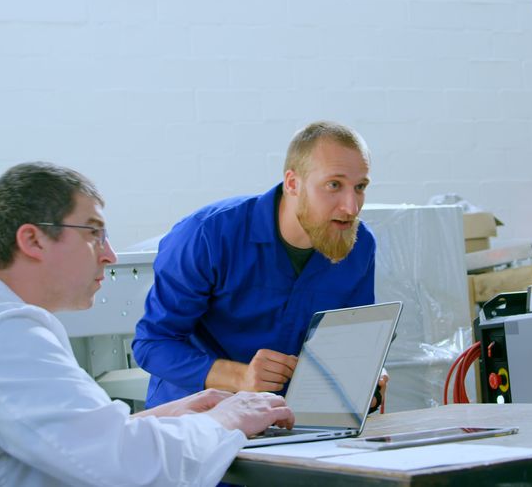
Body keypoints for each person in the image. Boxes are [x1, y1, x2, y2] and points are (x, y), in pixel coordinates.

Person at [0, 162, 294, 487]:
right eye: (94, 233)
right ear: (33, 240)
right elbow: (127, 469)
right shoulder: (1, 335)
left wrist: (167, 417)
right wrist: (226, 420)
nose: (110, 254)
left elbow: (63, 440)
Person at [133, 121, 383, 408]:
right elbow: (152, 345)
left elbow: (349, 346)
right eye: (334, 185)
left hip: (291, 423)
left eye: (360, 187)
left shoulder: (359, 245)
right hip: (195, 424)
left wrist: (365, 379)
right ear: (292, 183)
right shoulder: (208, 235)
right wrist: (240, 377)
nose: (351, 207)